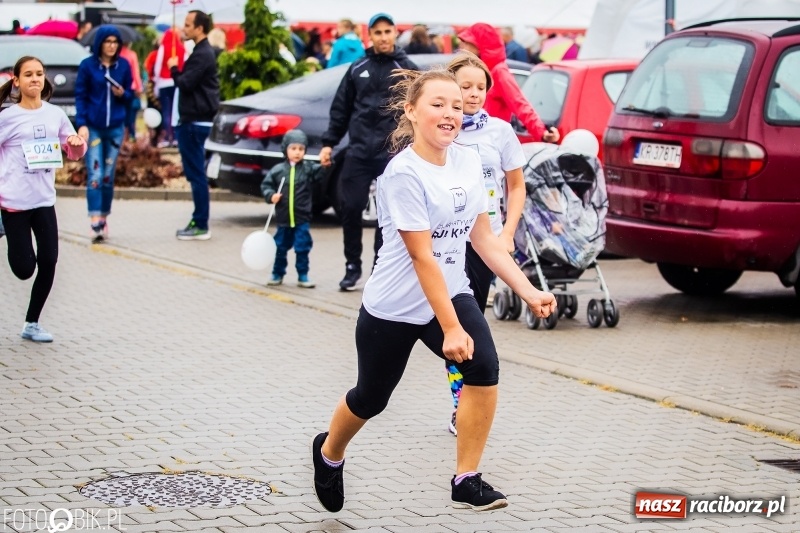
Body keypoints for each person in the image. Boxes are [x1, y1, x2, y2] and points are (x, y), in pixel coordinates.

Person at [310, 67, 556, 514]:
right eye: (438, 104)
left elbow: (482, 238)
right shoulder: (402, 174)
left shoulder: (467, 161)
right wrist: (451, 328)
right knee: (371, 398)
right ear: (411, 111)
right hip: (395, 305)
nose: (450, 113)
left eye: (457, 106)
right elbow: (422, 257)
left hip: (452, 288)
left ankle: (466, 479)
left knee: (484, 368)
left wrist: (528, 290)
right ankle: (329, 452)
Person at [443, 51, 528, 436]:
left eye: (480, 87)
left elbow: (516, 186)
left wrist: (507, 232)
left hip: (486, 242)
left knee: (472, 323)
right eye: (466, 86)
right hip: (448, 243)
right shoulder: (444, 130)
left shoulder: (500, 132)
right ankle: (459, 404)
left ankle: (467, 402)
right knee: (457, 327)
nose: (474, 94)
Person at [319, 12, 418, 290]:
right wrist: (329, 143)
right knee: (350, 208)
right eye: (378, 32)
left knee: (386, 216)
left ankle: (378, 269)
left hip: (392, 154)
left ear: (395, 33)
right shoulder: (357, 67)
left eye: (387, 32)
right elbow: (341, 108)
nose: (383, 37)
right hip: (359, 151)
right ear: (370, 35)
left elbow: (420, 111)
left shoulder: (407, 68)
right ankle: (352, 266)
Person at [0, 56, 87, 342]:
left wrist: (76, 144)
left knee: (49, 260)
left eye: (39, 73)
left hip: (44, 200)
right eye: (28, 74)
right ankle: (4, 225)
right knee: (25, 269)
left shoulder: (55, 114)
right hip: (14, 202)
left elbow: (74, 151)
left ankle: (32, 323)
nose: (35, 79)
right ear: (16, 81)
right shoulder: (7, 117)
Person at [75, 25, 133, 243]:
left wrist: (123, 94)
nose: (111, 46)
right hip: (94, 127)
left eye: (115, 42)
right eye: (107, 41)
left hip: (115, 127)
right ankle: (94, 220)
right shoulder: (88, 66)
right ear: (100, 43)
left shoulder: (123, 66)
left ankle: (104, 217)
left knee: (108, 176)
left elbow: (131, 97)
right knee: (96, 174)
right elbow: (80, 96)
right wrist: (82, 123)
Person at [457, 23, 560, 144]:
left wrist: (542, 133)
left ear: (480, 45)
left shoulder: (498, 71)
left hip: (493, 141)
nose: (462, 46)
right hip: (473, 139)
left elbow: (519, 103)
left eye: (466, 42)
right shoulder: (474, 70)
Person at [168, 10, 219, 241]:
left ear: (200, 28)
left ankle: (200, 224)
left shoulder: (202, 54)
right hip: (193, 120)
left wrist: (173, 68)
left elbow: (186, 83)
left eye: (188, 25)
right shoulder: (200, 52)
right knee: (195, 173)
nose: (184, 28)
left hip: (195, 122)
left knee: (196, 174)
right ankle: (198, 220)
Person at [261, 129, 327, 288]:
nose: (297, 152)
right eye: (293, 148)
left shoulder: (308, 168)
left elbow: (320, 173)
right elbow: (266, 185)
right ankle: (277, 274)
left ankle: (303, 275)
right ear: (286, 149)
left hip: (301, 218)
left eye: (301, 149)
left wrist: (326, 165)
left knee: (302, 248)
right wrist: (271, 195)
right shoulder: (278, 170)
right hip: (283, 219)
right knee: (280, 248)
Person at [153, 27, 185, 148]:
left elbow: (158, 66)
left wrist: (156, 80)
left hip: (163, 83)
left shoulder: (163, 48)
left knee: (166, 111)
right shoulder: (182, 48)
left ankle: (167, 136)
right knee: (175, 112)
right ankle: (176, 137)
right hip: (176, 83)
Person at [118, 41, 143, 148]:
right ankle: (131, 136)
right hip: (131, 88)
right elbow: (135, 72)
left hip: (118, 88)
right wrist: (139, 87)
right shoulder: (131, 54)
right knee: (130, 115)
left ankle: (122, 137)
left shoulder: (117, 54)